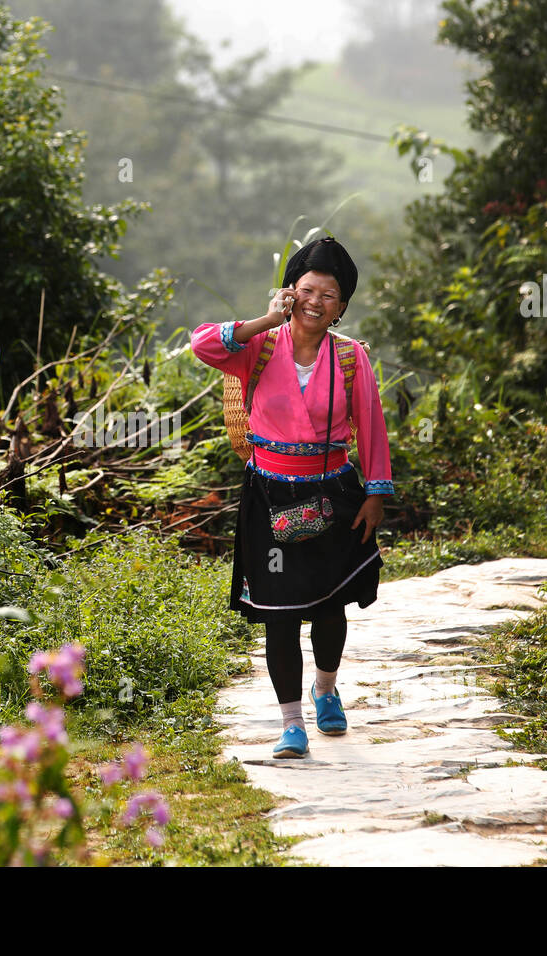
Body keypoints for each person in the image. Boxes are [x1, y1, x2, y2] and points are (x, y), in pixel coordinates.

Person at [189, 235, 394, 759]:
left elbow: (370, 426)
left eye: (329, 295)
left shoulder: (351, 360)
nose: (315, 303)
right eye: (306, 290)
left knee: (329, 606)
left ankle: (325, 690)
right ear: (289, 292)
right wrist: (264, 320)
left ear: (342, 307)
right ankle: (291, 724)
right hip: (270, 496)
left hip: (333, 494)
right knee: (279, 613)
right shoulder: (256, 349)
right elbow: (203, 344)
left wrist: (375, 494)